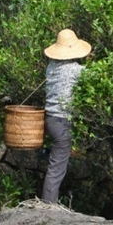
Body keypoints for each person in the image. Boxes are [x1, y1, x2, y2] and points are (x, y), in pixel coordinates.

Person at [41, 28, 92, 204]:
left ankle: (50, 201)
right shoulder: (73, 69)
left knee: (55, 161)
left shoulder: (51, 66)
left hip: (49, 118)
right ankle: (49, 204)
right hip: (62, 121)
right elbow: (95, 76)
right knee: (57, 166)